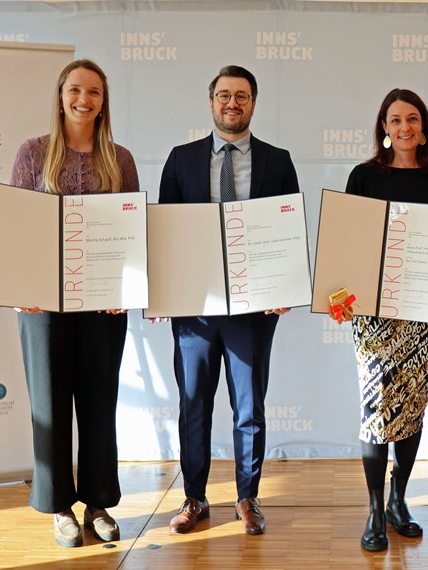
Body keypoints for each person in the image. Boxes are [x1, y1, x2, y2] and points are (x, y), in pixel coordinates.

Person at [156, 65, 299, 536]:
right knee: (193, 402)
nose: (232, 103)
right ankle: (194, 498)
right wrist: (162, 294)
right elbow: (167, 236)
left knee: (249, 407)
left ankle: (247, 496)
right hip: (195, 310)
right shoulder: (180, 159)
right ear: (211, 101)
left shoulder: (278, 161)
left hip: (254, 310)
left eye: (241, 96)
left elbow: (287, 233)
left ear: (254, 103)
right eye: (223, 95)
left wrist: (286, 288)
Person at [10, 59, 138, 548]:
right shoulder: (33, 152)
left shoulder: (119, 158)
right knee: (50, 402)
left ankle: (99, 503)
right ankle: (59, 505)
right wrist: (20, 287)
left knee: (99, 402)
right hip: (42, 303)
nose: (84, 100)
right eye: (75, 90)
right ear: (60, 95)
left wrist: (127, 290)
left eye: (95, 92)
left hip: (103, 304)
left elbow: (128, 233)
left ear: (104, 102)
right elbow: (17, 226)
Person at [345, 88, 428, 552]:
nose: (405, 128)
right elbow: (348, 242)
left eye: (413, 119)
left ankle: (400, 500)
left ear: (424, 127)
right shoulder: (363, 177)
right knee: (376, 409)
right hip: (374, 313)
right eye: (396, 120)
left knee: (411, 404)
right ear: (383, 126)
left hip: (422, 311)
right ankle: (376, 510)